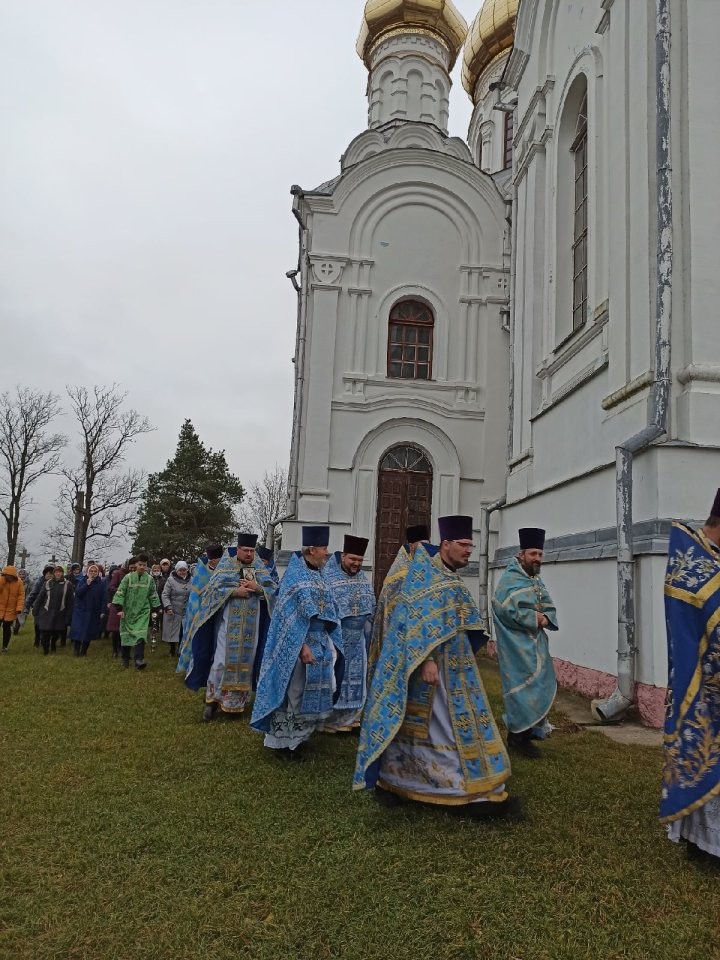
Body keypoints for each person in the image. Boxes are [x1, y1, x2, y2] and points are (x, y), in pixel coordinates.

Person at [355, 516, 517, 819]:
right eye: (463, 544)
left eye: (471, 544)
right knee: (438, 728)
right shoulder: (422, 575)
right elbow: (409, 620)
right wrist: (426, 659)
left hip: (458, 667)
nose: (469, 550)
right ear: (446, 544)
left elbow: (460, 618)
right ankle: (441, 786)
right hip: (430, 670)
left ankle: (423, 782)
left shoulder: (451, 576)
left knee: (451, 726)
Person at [662, 488, 720, 862]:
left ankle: (703, 841)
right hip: (703, 680)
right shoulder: (693, 561)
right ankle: (706, 845)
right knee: (705, 752)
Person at [251, 526, 342, 759]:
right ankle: (283, 744)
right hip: (299, 646)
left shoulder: (319, 574)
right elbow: (285, 619)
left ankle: (299, 738)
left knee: (309, 692)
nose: (327, 553)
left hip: (319, 642)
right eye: (323, 548)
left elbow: (328, 608)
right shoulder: (295, 576)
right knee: (295, 693)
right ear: (311, 549)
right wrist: (301, 647)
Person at [183, 534, 278, 721]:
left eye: (252, 551)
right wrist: (235, 591)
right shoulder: (226, 566)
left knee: (246, 664)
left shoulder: (260, 569)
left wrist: (257, 588)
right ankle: (211, 702)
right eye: (246, 550)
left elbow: (273, 591)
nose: (249, 554)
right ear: (239, 549)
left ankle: (236, 705)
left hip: (252, 630)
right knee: (221, 662)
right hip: (227, 627)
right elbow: (211, 592)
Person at [491, 527, 559, 759]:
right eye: (533, 554)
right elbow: (502, 607)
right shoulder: (510, 579)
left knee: (539, 685)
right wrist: (533, 618)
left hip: (535, 643)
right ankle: (516, 737)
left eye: (540, 554)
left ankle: (530, 731)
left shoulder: (534, 579)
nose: (537, 559)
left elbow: (547, 604)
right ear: (521, 555)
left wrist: (547, 617)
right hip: (515, 645)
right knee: (521, 689)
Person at [321, 535, 376, 732]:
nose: (356, 564)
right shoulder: (328, 577)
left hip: (358, 639)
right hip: (337, 638)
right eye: (353, 559)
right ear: (343, 555)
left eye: (360, 561)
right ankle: (330, 719)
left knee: (357, 679)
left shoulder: (363, 579)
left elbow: (371, 608)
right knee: (337, 678)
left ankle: (350, 718)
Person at [367, 524, 430, 682]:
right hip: (399, 634)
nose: (426, 550)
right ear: (411, 547)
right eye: (421, 546)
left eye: (428, 545)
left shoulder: (428, 568)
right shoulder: (399, 574)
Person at [176, 545, 225, 674]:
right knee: (199, 641)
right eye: (219, 559)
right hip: (201, 612)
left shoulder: (224, 571)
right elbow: (198, 595)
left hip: (219, 612)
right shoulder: (202, 572)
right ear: (213, 560)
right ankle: (192, 668)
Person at [111, 553, 161, 670]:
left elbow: (153, 594)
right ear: (136, 565)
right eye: (140, 564)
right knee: (126, 636)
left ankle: (139, 659)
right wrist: (119, 608)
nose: (142, 567)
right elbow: (121, 592)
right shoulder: (127, 578)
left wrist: (156, 608)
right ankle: (125, 659)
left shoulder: (149, 579)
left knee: (141, 635)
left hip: (142, 612)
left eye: (144, 565)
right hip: (128, 612)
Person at [33, 564, 74, 655]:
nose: (58, 574)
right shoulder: (47, 583)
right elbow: (40, 597)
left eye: (60, 572)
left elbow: (70, 601)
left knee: (57, 632)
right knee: (45, 632)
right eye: (56, 572)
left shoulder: (68, 584)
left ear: (63, 573)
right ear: (54, 573)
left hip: (60, 612)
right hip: (46, 611)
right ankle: (46, 650)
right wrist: (35, 608)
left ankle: (53, 643)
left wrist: (68, 615)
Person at [69, 563, 107, 657]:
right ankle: (76, 650)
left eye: (95, 571)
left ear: (98, 573)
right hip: (81, 610)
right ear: (87, 572)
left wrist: (102, 611)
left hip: (93, 611)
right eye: (91, 571)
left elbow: (103, 598)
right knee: (78, 630)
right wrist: (87, 584)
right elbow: (78, 593)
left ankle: (84, 651)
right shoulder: (82, 581)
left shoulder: (101, 584)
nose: (93, 573)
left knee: (88, 631)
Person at [161, 561, 191, 657]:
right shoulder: (170, 580)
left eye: (184, 570)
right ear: (176, 570)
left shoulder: (192, 580)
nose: (182, 572)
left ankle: (181, 649)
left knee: (183, 630)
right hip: (173, 609)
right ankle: (172, 649)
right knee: (172, 631)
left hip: (186, 609)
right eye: (180, 570)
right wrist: (168, 606)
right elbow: (165, 595)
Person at [25, 565, 54, 648]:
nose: (50, 575)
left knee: (47, 625)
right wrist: (27, 606)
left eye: (52, 574)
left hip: (50, 607)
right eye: (48, 574)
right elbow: (33, 594)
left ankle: (44, 640)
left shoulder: (55, 583)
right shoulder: (39, 582)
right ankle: (37, 640)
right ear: (45, 574)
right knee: (37, 624)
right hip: (38, 606)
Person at [0, 565, 25, 652]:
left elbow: (21, 596)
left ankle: (5, 647)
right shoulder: (1, 580)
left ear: (13, 576)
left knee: (7, 628)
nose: (8, 577)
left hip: (11, 610)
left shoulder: (19, 582)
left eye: (10, 576)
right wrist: (2, 580)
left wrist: (19, 608)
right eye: (6, 575)